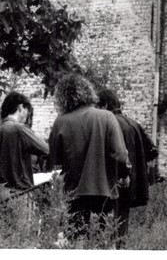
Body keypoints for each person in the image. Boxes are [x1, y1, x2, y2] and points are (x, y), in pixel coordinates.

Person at [48, 73, 130, 237]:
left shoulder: (61, 122)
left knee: (76, 242)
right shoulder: (107, 117)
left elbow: (55, 162)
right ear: (87, 91)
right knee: (104, 242)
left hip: (73, 194)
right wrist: (124, 175)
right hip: (104, 192)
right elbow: (120, 155)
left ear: (63, 98)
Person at [97, 89, 159, 241]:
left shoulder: (106, 124)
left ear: (105, 106)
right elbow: (152, 151)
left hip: (109, 184)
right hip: (129, 186)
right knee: (121, 229)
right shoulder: (133, 123)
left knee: (104, 230)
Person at [0, 92, 49, 190]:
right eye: (27, 110)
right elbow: (47, 150)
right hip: (21, 192)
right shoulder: (20, 129)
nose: (28, 115)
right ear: (20, 107)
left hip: (1, 192)